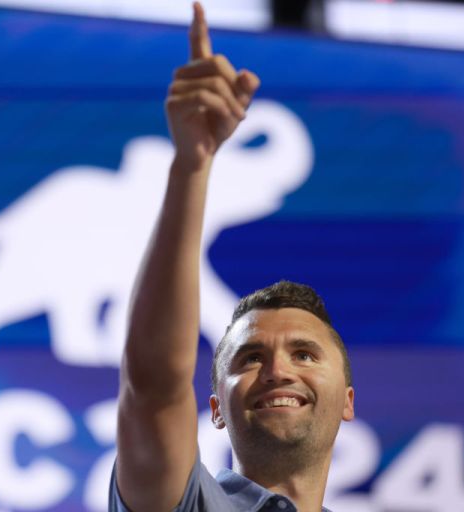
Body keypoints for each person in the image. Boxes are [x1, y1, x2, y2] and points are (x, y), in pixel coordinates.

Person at [109, 2, 355, 511]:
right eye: (249, 358)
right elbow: (154, 385)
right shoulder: (185, 501)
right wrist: (193, 164)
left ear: (348, 400)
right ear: (216, 408)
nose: (277, 371)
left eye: (305, 354)